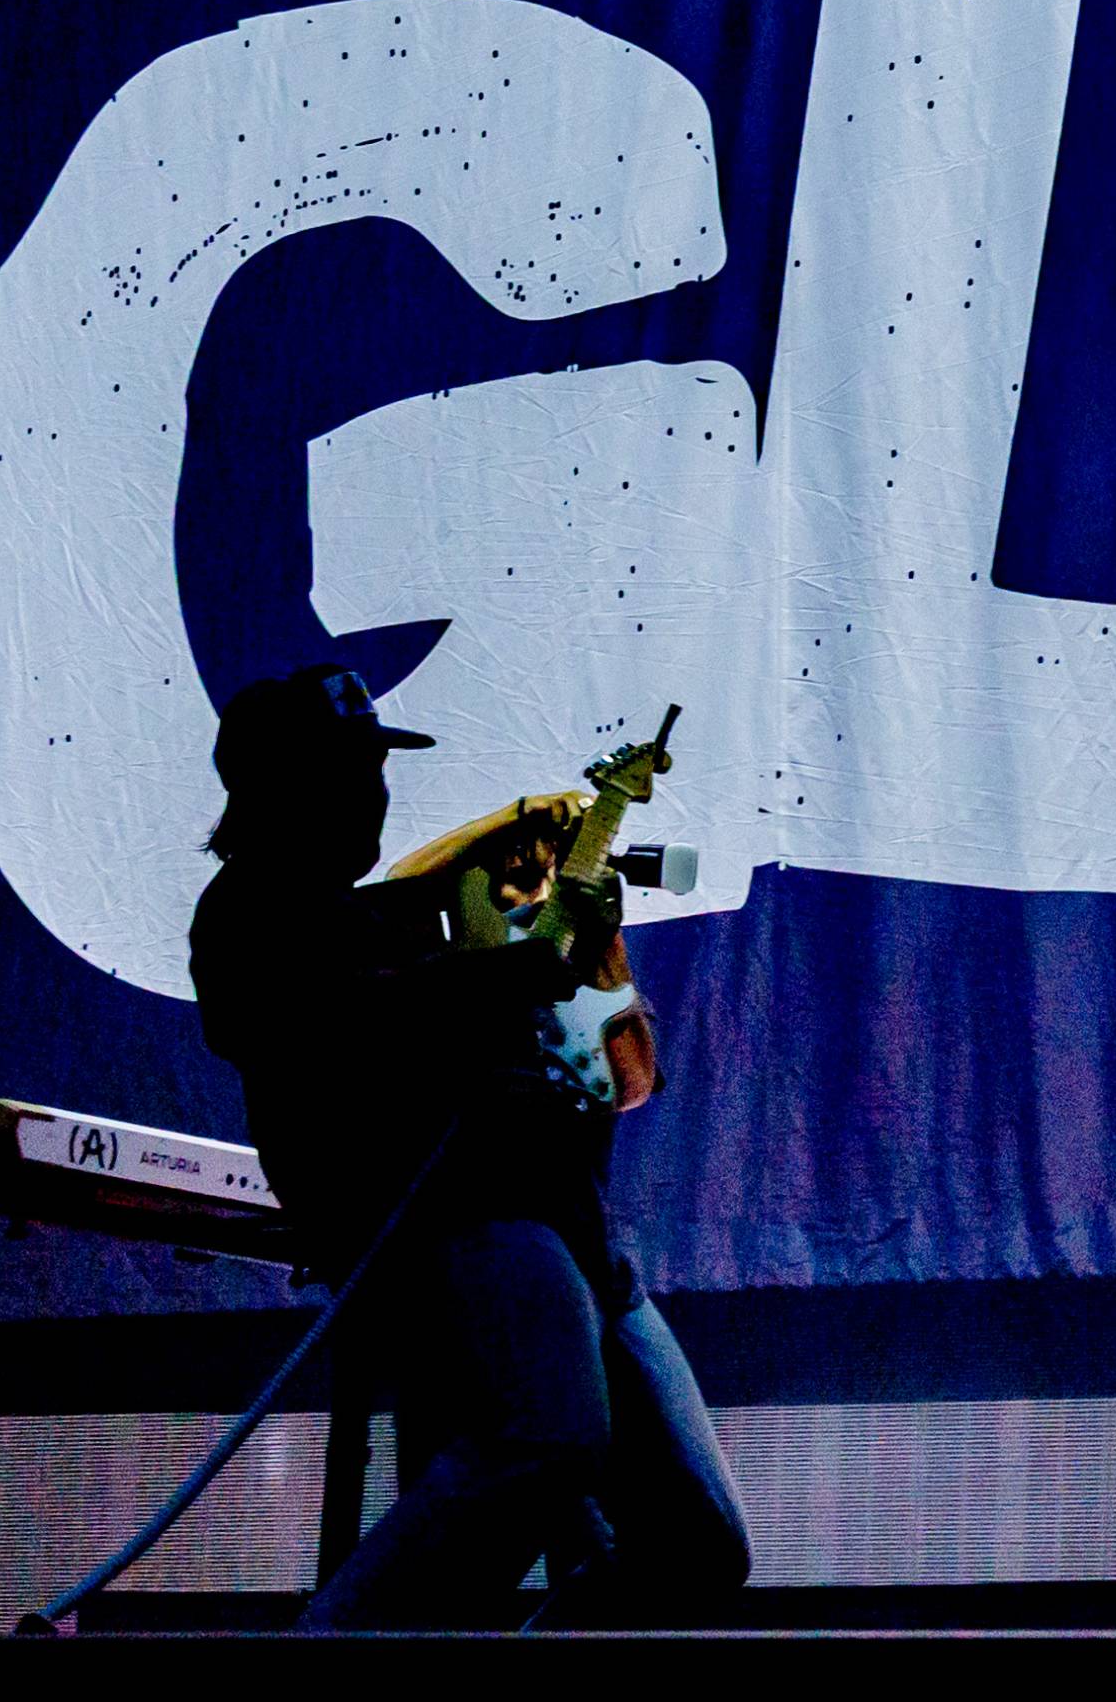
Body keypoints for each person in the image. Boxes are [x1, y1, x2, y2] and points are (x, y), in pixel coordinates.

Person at [188, 665, 751, 1626]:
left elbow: (605, 1076)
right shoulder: (248, 914)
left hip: (575, 1236)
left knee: (697, 1545)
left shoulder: (385, 917)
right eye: (352, 773)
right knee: (547, 1438)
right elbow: (333, 1019)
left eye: (376, 771)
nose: (376, 794)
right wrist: (507, 973)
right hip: (468, 1229)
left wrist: (577, 952)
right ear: (282, 788)